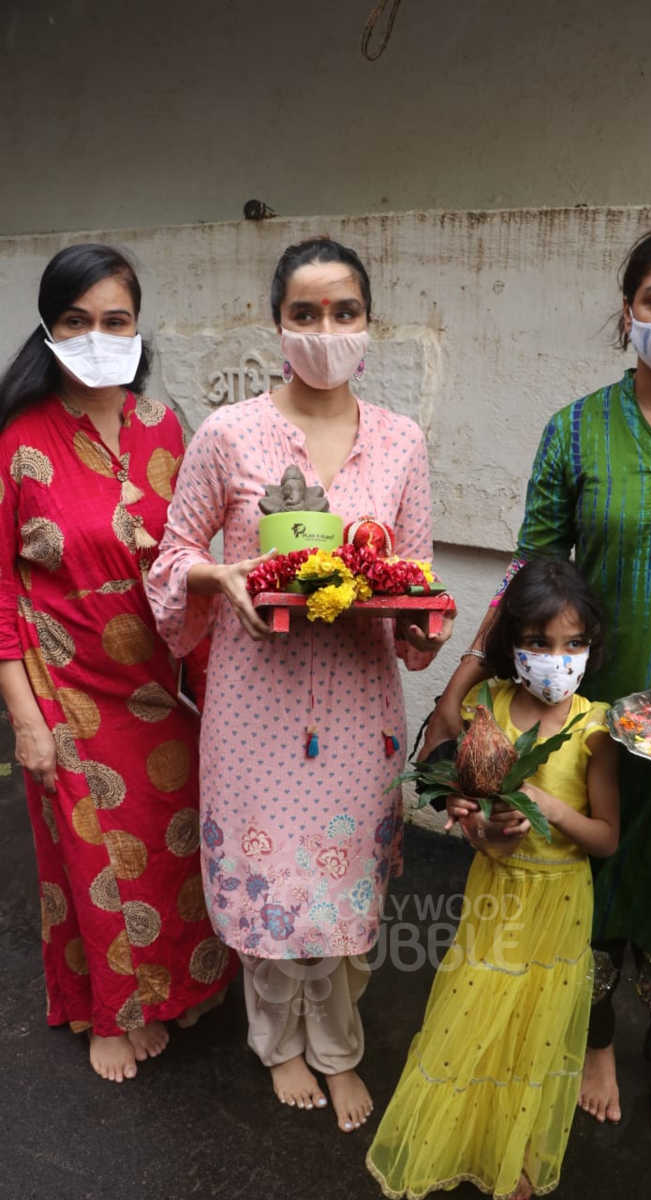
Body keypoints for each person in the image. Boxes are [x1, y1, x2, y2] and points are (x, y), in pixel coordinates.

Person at [421, 218, 651, 1135]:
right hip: (577, 712)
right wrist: (466, 677)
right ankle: (591, 1043)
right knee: (582, 883)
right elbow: (528, 572)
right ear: (626, 311)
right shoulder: (575, 430)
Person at [146, 237, 453, 1132]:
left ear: (368, 322)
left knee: (348, 895)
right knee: (268, 893)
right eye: (305, 314)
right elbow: (172, 557)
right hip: (254, 710)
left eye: (344, 313)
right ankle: (277, 1044)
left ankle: (339, 1047)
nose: (325, 331)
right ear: (277, 323)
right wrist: (221, 579)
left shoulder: (400, 442)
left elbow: (414, 572)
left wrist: (421, 621)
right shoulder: (227, 434)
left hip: (358, 713)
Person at [0, 244, 237, 1084]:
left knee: (171, 848)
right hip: (66, 691)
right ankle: (110, 1012)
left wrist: (218, 694)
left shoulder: (165, 427)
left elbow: (193, 560)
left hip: (155, 687)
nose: (97, 336)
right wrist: (25, 717)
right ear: (49, 327)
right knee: (92, 864)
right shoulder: (17, 440)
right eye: (77, 321)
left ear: (137, 329)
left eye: (115, 321)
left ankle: (177, 987)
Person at [367, 557, 619, 1199]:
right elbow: (474, 820)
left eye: (572, 644)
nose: (555, 658)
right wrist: (478, 824)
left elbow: (607, 838)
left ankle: (516, 1156)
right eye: (537, 642)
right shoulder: (489, 707)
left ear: (591, 646)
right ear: (512, 644)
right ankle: (465, 1138)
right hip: (497, 898)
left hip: (558, 905)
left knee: (533, 1030)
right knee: (474, 1017)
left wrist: (549, 808)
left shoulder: (595, 729)